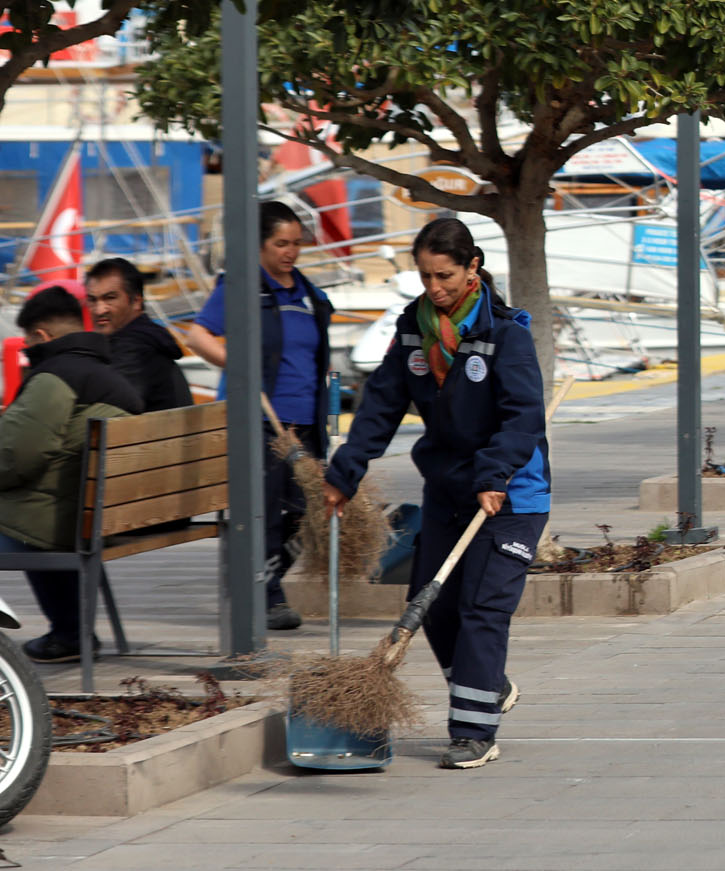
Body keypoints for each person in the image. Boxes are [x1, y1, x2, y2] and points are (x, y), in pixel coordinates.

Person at [324, 218, 549, 768]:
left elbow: (523, 418)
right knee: (432, 606)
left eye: (445, 275)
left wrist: (494, 475)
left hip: (510, 494)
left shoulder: (506, 334)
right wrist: (345, 471)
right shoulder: (414, 330)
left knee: (481, 609)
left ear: (472, 268)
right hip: (448, 490)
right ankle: (486, 687)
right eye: (425, 276)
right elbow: (381, 403)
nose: (435, 288)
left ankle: (473, 731)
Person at [183, 200, 333, 631]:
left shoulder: (305, 291)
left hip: (304, 423)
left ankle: (256, 581)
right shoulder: (242, 287)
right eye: (280, 243)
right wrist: (237, 364)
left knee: (308, 512)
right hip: (262, 422)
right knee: (265, 511)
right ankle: (266, 597)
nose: (290, 252)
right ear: (259, 245)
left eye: (296, 243)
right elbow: (198, 336)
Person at [0, 288, 141, 664]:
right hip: (90, 517)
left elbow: (16, 455)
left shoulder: (55, 377)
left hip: (52, 525)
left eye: (28, 341)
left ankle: (69, 633)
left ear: (41, 336)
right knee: (37, 514)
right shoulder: (108, 377)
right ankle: (70, 631)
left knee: (28, 523)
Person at [83, 257, 194, 413]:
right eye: (92, 300)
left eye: (110, 298)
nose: (99, 310)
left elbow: (113, 411)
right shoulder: (147, 339)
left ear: (136, 301)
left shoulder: (133, 347)